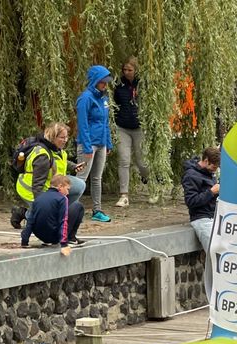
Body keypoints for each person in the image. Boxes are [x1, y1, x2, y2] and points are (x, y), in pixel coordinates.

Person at [15, 122, 105, 227]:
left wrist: (73, 166)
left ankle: (60, 214)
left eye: (66, 137)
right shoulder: (42, 156)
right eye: (62, 137)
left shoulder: (56, 149)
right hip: (30, 189)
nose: (65, 140)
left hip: (51, 185)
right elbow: (37, 185)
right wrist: (43, 206)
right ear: (53, 137)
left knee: (79, 185)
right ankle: (24, 213)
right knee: (46, 218)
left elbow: (60, 161)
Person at [75, 65, 113, 217]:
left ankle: (97, 210)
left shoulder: (104, 98)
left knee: (97, 178)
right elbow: (82, 124)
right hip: (89, 144)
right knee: (82, 178)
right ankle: (71, 208)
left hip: (101, 143)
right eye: (102, 82)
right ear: (95, 81)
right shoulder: (85, 99)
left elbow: (106, 122)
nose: (105, 84)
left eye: (106, 82)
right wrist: (86, 147)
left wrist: (108, 142)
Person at [113, 57, 150, 208]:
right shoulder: (118, 84)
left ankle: (150, 182)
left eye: (130, 70)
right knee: (124, 160)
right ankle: (124, 195)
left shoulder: (143, 84)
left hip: (139, 127)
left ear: (136, 70)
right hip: (123, 127)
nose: (126, 72)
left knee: (142, 162)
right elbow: (114, 104)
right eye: (124, 70)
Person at [20, 174, 83, 253]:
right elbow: (63, 221)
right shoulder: (62, 198)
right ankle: (71, 238)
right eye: (67, 189)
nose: (68, 193)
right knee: (77, 206)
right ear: (60, 186)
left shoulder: (39, 197)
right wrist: (64, 244)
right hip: (54, 237)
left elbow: (30, 221)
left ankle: (60, 238)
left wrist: (24, 241)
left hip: (40, 235)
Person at [181, 146, 220, 251]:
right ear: (206, 161)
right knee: (214, 253)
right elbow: (190, 201)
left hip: (213, 216)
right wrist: (211, 192)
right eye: (214, 167)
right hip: (201, 219)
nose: (214, 171)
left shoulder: (209, 173)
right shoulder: (190, 176)